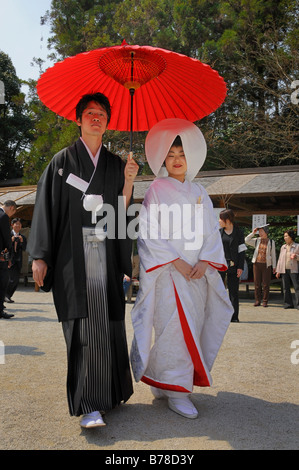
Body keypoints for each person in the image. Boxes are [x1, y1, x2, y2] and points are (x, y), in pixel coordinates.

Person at [27, 92, 139, 428]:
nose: (95, 118)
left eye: (101, 113)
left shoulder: (118, 165)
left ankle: (109, 395)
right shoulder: (61, 162)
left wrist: (129, 183)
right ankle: (88, 404)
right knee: (82, 326)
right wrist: (39, 255)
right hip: (72, 257)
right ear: (78, 119)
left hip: (104, 252)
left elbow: (122, 216)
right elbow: (45, 209)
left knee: (108, 323)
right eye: (89, 113)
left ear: (108, 121)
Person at [130, 118, 233, 420]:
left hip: (197, 275)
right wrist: (175, 260)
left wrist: (205, 261)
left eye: (182, 154)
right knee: (172, 331)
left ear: (191, 157)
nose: (176, 160)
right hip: (169, 273)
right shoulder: (156, 190)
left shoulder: (200, 189)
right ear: (164, 159)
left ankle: (165, 381)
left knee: (193, 326)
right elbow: (148, 232)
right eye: (171, 155)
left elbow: (211, 232)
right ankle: (177, 391)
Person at [219, 209, 246, 322]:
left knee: (233, 292)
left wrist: (240, 267)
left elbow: (242, 251)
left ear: (228, 220)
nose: (219, 221)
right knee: (219, 291)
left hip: (234, 266)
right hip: (220, 265)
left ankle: (234, 316)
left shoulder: (239, 233)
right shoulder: (219, 232)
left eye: (221, 218)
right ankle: (219, 316)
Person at [245, 225, 276, 307]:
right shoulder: (256, 240)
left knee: (266, 283)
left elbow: (273, 255)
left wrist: (274, 266)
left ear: (266, 232)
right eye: (260, 232)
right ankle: (257, 300)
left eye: (262, 231)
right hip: (256, 263)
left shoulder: (271, 242)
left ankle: (265, 301)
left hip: (267, 264)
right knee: (257, 283)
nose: (260, 233)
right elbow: (246, 240)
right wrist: (253, 233)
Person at [0, 200, 17, 319]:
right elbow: (6, 237)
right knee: (3, 282)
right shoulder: (3, 216)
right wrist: (9, 254)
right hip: (1, 255)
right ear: (11, 208)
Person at [276, 230, 299, 309]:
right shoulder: (283, 247)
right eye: (284, 236)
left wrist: (296, 256)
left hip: (294, 269)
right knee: (286, 288)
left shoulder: (297, 246)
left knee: (297, 287)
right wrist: (278, 271)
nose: (284, 238)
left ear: (291, 237)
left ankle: (298, 304)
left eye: (286, 236)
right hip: (284, 269)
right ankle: (288, 304)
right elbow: (280, 259)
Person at [5, 218, 27, 303]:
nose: (18, 225)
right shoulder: (8, 235)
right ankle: (6, 295)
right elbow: (5, 246)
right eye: (16, 224)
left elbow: (25, 248)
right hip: (9, 260)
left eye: (19, 224)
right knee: (10, 279)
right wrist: (10, 241)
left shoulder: (23, 237)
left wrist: (21, 242)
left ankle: (8, 296)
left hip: (18, 261)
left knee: (16, 280)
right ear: (12, 225)